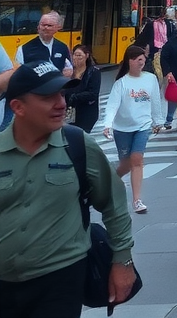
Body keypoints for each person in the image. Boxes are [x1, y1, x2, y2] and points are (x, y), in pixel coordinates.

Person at [0, 60, 136, 318]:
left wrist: (123, 261)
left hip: (61, 279)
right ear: (18, 107)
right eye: (48, 97)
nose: (61, 103)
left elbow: (114, 204)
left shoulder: (77, 144)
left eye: (62, 94)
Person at [103, 44, 164, 214]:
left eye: (143, 60)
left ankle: (137, 200)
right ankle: (111, 180)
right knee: (126, 164)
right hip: (122, 128)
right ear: (129, 61)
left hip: (142, 126)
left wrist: (157, 121)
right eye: (138, 60)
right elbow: (112, 106)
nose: (141, 63)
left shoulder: (150, 78)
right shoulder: (121, 83)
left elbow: (156, 101)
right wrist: (107, 124)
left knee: (137, 160)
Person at [65, 44, 101, 133]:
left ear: (87, 56)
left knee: (81, 139)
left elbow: (93, 93)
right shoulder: (69, 71)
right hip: (69, 113)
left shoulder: (93, 72)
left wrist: (75, 97)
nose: (76, 58)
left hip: (86, 113)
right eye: (75, 55)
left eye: (79, 55)